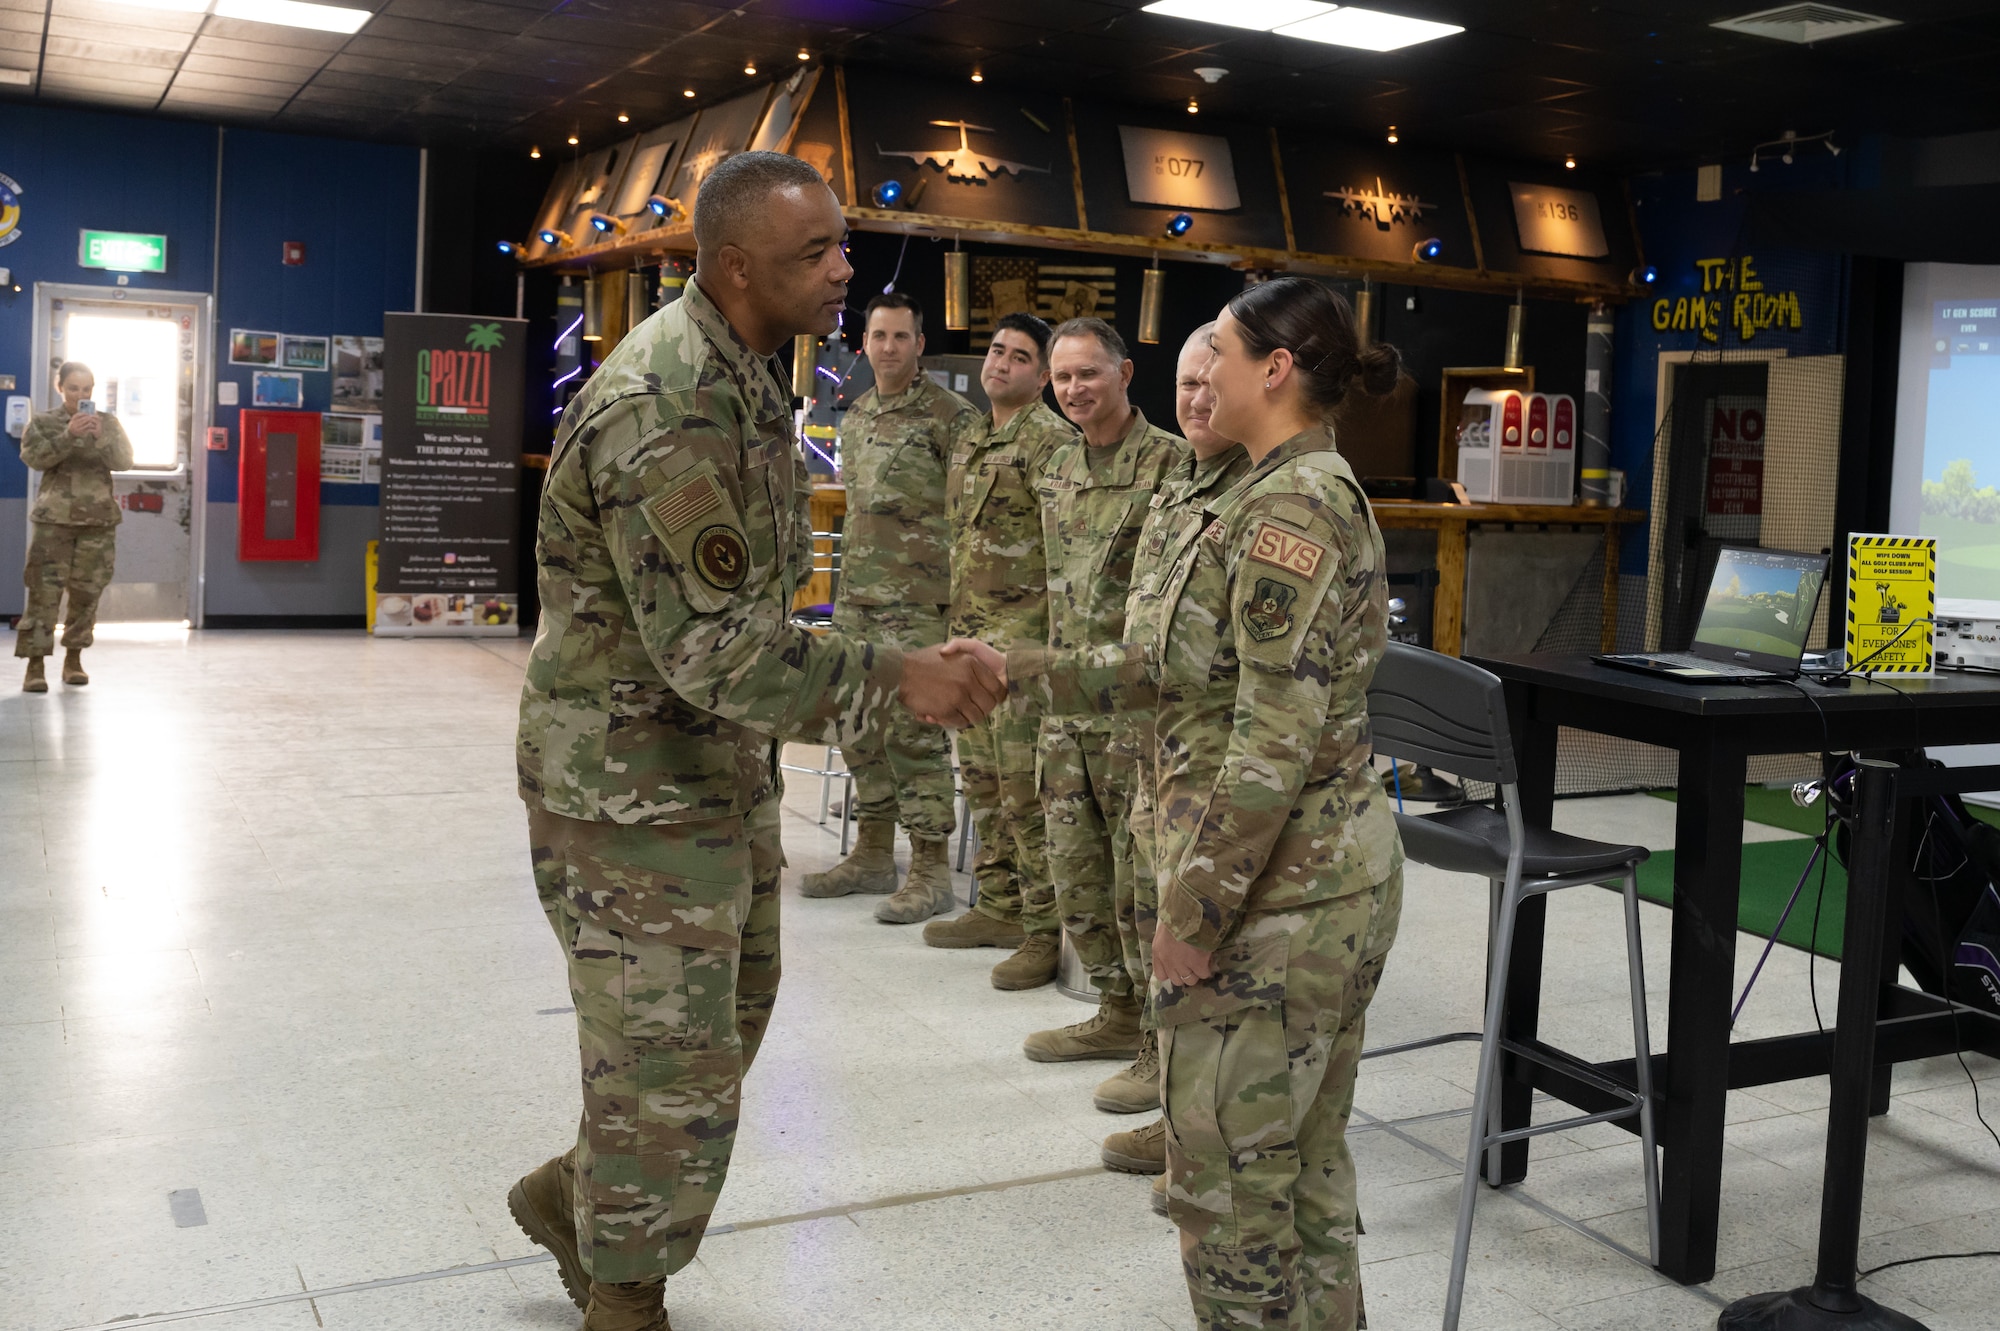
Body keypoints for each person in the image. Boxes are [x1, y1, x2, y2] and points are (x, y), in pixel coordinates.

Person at [508, 151, 1004, 1331]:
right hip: (628, 788)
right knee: (665, 1064)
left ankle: (573, 1196)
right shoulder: (665, 404)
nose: (845, 271)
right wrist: (901, 679)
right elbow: (715, 649)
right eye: (814, 253)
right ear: (735, 266)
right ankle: (624, 1296)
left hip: (712, 769)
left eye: (839, 244)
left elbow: (749, 627)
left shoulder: (747, 376)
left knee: (723, 1025)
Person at [973, 276, 1404, 1331]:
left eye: (1216, 345)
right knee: (1292, 1170)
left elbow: (1272, 738)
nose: (1199, 366)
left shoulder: (1291, 507)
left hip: (1278, 902)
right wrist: (1013, 668)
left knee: (1227, 1188)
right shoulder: (1246, 490)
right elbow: (1164, 667)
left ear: (1275, 369)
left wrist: (1193, 912)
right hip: (1284, 883)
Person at [1096, 324, 1254, 1173]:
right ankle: (1174, 1104)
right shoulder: (1185, 487)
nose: (1195, 398)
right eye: (1185, 383)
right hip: (1164, 764)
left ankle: (1206, 1143)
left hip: (1221, 782)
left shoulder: (1272, 497)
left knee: (1214, 969)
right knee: (1157, 938)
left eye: (1210, 381)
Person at [1020, 318, 1186, 1034]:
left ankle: (1158, 1030)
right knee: (1075, 864)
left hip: (1133, 707)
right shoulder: (1055, 467)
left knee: (1139, 873)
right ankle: (1114, 1007)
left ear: (1124, 374)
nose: (1074, 388)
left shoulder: (1172, 466)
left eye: (1088, 373)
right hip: (1065, 706)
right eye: (1062, 377)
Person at [799, 292, 979, 924]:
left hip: (920, 605)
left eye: (901, 336)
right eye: (878, 336)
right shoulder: (858, 414)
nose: (889, 347)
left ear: (919, 343)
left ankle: (931, 867)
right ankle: (873, 852)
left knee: (915, 733)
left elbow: (968, 514)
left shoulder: (951, 418)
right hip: (858, 600)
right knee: (857, 725)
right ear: (865, 342)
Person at [922, 312, 1078, 985]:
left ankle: (1044, 931)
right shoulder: (971, 437)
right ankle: (999, 903)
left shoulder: (1054, 444)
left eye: (1018, 356)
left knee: (1024, 794)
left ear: (1042, 377)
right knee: (982, 787)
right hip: (968, 639)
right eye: (995, 350)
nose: (1000, 363)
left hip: (1022, 651)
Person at [15, 361, 132, 692]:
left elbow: (123, 461)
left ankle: (74, 660)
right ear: (59, 387)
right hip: (54, 522)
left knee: (87, 592)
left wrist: (100, 438)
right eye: (73, 389)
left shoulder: (107, 423)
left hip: (97, 522)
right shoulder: (44, 422)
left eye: (86, 389)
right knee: (44, 591)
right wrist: (69, 435)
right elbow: (34, 458)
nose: (80, 395)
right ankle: (35, 666)